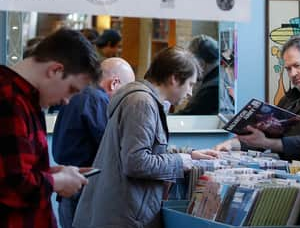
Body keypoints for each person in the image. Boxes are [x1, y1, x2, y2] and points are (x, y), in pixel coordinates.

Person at [73, 46, 217, 228]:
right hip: (125, 216)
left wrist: (189, 155)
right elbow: (136, 162)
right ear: (174, 78)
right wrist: (180, 161)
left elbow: (145, 147)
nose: (190, 93)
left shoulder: (142, 100)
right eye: (190, 84)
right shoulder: (142, 102)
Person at [215, 36, 300, 203]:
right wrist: (233, 144)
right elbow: (268, 134)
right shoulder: (290, 98)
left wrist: (266, 143)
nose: (293, 73)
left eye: (297, 65)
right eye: (288, 69)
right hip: (294, 187)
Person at [0, 28, 101, 228]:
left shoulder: (25, 99)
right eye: (71, 90)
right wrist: (57, 181)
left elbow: (18, 168)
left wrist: (52, 173)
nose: (66, 101)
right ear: (55, 70)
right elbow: (12, 186)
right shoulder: (9, 100)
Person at [51, 57, 136, 228]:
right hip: (84, 191)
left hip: (69, 190)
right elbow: (111, 145)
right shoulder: (97, 100)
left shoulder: (78, 94)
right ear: (114, 84)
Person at [176, 35, 220, 115]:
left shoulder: (212, 88)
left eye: (191, 63)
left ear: (201, 63)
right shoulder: (217, 78)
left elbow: (189, 116)